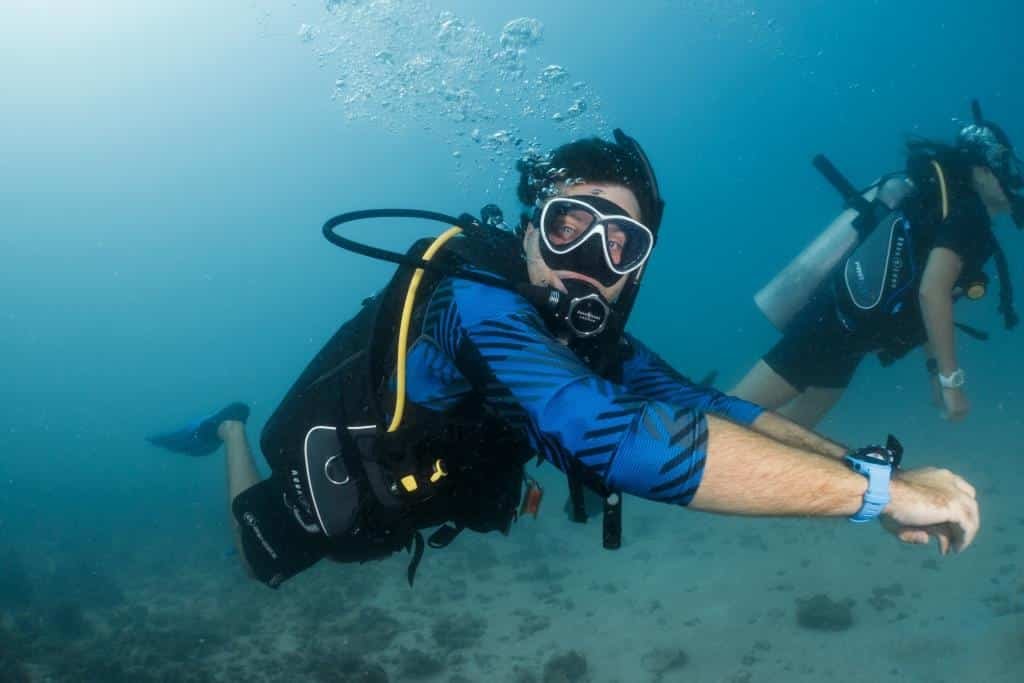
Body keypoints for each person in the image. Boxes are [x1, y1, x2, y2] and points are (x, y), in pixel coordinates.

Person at [147, 130, 979, 590]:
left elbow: (704, 405)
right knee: (260, 554)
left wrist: (866, 467)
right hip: (341, 487)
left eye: (621, 244)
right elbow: (607, 435)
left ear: (637, 271)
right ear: (526, 232)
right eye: (568, 226)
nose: (589, 257)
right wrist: (879, 496)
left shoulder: (596, 338)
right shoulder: (474, 297)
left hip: (420, 495)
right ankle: (228, 428)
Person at [733, 100, 1022, 427]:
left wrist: (934, 371)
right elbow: (932, 293)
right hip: (835, 328)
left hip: (847, 334)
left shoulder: (951, 211)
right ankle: (667, 438)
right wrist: (950, 380)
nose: (1012, 179)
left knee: (781, 437)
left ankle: (688, 456)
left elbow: (926, 297)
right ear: (982, 170)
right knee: (724, 419)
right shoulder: (967, 216)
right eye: (1004, 165)